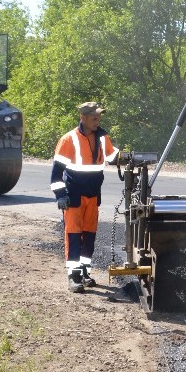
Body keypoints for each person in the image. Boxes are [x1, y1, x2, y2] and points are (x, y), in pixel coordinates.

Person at [50, 101, 119, 293]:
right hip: (73, 198)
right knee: (73, 236)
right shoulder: (68, 140)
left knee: (89, 236)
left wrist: (129, 157)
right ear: (83, 118)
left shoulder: (102, 137)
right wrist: (60, 195)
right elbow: (56, 174)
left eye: (99, 117)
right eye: (94, 118)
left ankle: (84, 272)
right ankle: (73, 276)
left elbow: (113, 158)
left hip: (93, 196)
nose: (98, 121)